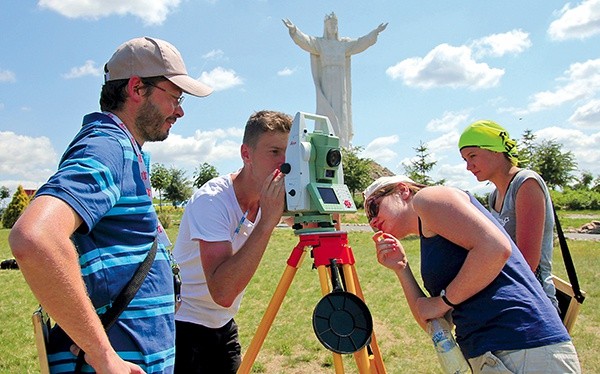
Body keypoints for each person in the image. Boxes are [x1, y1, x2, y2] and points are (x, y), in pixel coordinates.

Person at [9, 36, 212, 373]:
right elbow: (34, 237)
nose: (180, 110)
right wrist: (103, 355)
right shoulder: (108, 147)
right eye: (175, 97)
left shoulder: (126, 150)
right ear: (136, 89)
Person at [364, 175, 581, 373]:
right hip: (496, 353)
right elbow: (435, 322)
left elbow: (496, 248)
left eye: (374, 208)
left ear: (403, 190)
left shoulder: (429, 198)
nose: (373, 221)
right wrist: (402, 268)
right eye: (367, 219)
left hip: (521, 345)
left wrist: (443, 301)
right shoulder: (433, 238)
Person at [172, 110, 292, 373]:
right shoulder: (212, 201)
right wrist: (266, 222)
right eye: (274, 152)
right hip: (185, 328)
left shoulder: (271, 195)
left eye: (289, 153)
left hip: (223, 325)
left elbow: (315, 226)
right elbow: (223, 292)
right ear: (246, 154)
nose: (285, 163)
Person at [458, 120, 559, 310]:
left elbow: (528, 262)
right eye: (465, 159)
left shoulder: (526, 183)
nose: (469, 166)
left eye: (473, 156)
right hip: (512, 295)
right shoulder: (494, 195)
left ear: (496, 149)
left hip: (534, 301)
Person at [283, 13, 387, 147]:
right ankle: (326, 141)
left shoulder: (343, 44)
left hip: (340, 82)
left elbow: (360, 43)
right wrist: (294, 30)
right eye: (330, 25)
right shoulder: (320, 43)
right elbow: (306, 41)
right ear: (326, 27)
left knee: (341, 111)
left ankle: (342, 143)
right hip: (326, 79)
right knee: (325, 109)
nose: (333, 27)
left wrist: (375, 33)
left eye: (335, 25)